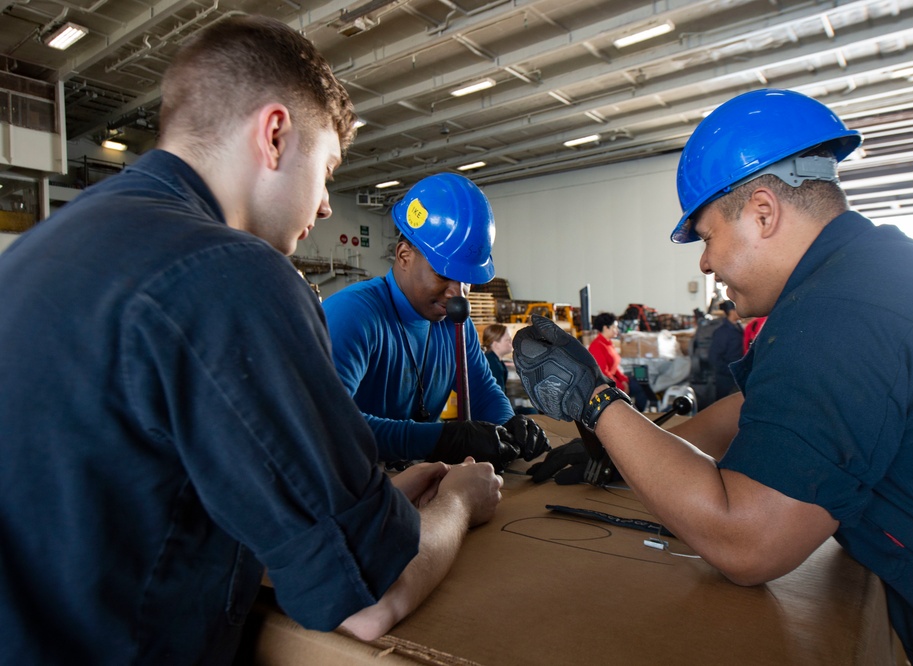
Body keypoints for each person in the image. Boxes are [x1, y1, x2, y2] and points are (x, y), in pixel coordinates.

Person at [0, 17, 503, 664]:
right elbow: (368, 602)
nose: (325, 207)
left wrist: (371, 504)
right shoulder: (233, 273)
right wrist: (458, 503)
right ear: (274, 136)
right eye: (326, 170)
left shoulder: (41, 249)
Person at [512, 88, 913, 665]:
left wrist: (595, 404)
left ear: (763, 212)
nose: (705, 263)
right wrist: (619, 450)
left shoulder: (839, 314)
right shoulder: (870, 276)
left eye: (708, 235)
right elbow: (752, 413)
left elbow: (748, 544)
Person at [321, 173, 548, 469]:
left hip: (416, 477)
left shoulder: (453, 322)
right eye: (443, 274)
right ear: (404, 256)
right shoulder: (353, 315)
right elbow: (329, 423)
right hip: (350, 482)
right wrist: (442, 439)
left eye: (467, 280)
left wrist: (508, 425)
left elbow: (480, 388)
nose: (458, 295)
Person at [588, 312, 648, 411]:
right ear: (605, 328)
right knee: (640, 388)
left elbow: (614, 367)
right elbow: (604, 373)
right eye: (614, 327)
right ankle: (637, 415)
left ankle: (639, 413)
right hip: (606, 385)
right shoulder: (597, 346)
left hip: (614, 380)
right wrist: (620, 386)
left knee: (642, 383)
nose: (617, 330)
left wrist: (624, 380)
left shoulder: (608, 343)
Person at [708, 300, 743, 402]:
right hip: (725, 378)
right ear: (732, 311)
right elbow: (713, 357)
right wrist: (729, 370)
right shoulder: (722, 332)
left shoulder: (738, 327)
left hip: (736, 375)